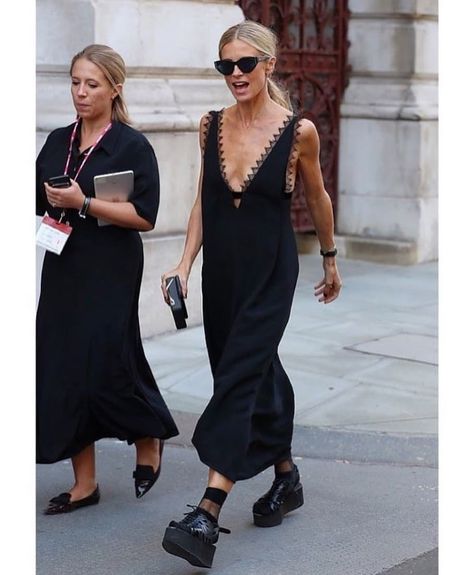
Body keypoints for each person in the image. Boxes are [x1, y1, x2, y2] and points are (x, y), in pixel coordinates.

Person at [159, 20, 342, 568]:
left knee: (239, 375)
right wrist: (184, 264)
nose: (235, 75)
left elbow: (319, 197)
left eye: (244, 64)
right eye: (225, 66)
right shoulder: (208, 125)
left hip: (269, 271)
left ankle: (207, 513)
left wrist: (330, 259)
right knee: (250, 371)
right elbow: (201, 203)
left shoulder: (298, 132)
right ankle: (286, 477)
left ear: (268, 65)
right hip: (223, 273)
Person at [36, 44, 178, 515]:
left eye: (91, 84)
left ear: (115, 89)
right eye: (75, 82)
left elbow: (144, 216)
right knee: (64, 364)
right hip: (64, 262)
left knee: (107, 358)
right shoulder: (59, 139)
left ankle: (147, 433)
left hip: (111, 266)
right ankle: (85, 484)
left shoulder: (131, 145)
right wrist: (48, 202)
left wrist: (83, 203)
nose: (80, 92)